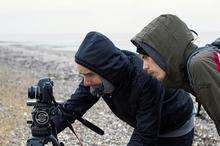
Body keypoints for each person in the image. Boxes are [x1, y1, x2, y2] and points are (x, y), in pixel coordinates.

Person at [53, 31, 195, 146]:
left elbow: (145, 136)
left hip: (175, 125)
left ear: (108, 71)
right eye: (83, 75)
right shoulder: (95, 76)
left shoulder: (145, 79)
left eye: (89, 75)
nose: (86, 82)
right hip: (145, 124)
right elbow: (71, 109)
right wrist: (44, 131)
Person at [131, 14, 220, 135]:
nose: (144, 66)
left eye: (146, 57)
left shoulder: (198, 64)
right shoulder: (190, 69)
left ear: (163, 50)